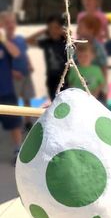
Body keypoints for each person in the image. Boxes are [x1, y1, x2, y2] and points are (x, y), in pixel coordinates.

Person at [1, 11, 35, 131]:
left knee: (27, 98)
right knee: (14, 102)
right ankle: (16, 124)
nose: (10, 25)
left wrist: (29, 64)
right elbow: (4, 65)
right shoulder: (3, 43)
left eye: (13, 22)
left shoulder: (20, 39)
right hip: (13, 78)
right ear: (2, 25)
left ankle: (28, 122)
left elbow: (24, 54)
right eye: (7, 23)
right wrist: (13, 72)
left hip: (25, 74)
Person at [27, 14, 67, 100]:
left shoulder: (65, 41)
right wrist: (43, 31)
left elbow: (75, 42)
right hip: (51, 79)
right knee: (54, 102)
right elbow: (28, 40)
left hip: (65, 78)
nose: (53, 30)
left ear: (60, 28)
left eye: (56, 27)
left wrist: (63, 32)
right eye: (51, 28)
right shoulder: (47, 42)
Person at [0, 13, 22, 164]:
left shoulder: (5, 43)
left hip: (5, 90)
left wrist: (3, 40)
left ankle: (17, 150)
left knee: (14, 122)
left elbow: (16, 53)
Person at [77, 14, 108, 103]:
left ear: (91, 30)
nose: (78, 30)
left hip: (95, 88)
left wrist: (104, 89)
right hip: (81, 85)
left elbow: (104, 68)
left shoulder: (98, 47)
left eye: (81, 27)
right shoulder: (78, 44)